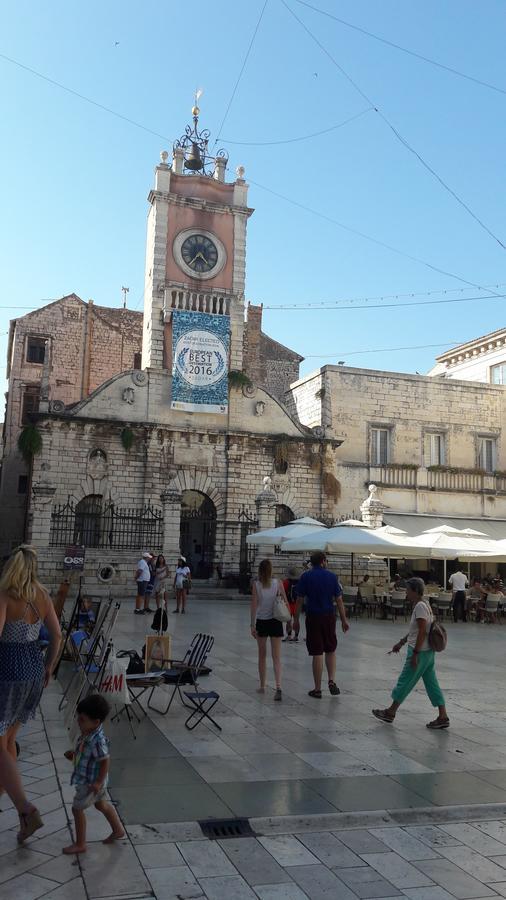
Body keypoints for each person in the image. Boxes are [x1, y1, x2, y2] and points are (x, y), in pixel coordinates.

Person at [0, 545, 61, 843]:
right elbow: (57, 635)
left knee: (0, 743)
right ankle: (17, 806)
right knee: (9, 739)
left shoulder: (5, 595)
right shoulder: (43, 596)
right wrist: (49, 665)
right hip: (34, 669)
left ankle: (25, 807)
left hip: (7, 669)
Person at [372, 576, 449, 729]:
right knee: (432, 684)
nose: (406, 593)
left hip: (419, 652)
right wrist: (401, 642)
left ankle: (390, 712)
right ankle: (443, 715)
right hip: (428, 653)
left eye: (408, 590)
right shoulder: (425, 604)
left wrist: (415, 654)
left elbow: (421, 632)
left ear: (415, 591)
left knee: (405, 680)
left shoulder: (420, 607)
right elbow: (419, 630)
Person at [63, 694, 125, 855]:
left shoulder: (97, 740)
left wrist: (97, 782)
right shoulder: (88, 733)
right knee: (101, 805)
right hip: (96, 782)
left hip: (90, 783)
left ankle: (80, 843)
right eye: (78, 717)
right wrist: (75, 755)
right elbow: (87, 754)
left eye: (82, 719)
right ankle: (118, 830)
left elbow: (105, 760)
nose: (78, 721)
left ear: (96, 722)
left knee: (77, 809)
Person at [295, 551, 349, 699]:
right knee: (330, 649)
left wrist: (295, 621)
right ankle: (331, 680)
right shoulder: (332, 577)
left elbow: (299, 600)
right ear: (323, 561)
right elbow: (339, 600)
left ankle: (317, 689)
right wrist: (344, 620)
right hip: (329, 616)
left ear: (312, 562)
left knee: (317, 652)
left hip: (313, 616)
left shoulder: (305, 576)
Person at [250, 559, 290, 701]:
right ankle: (278, 686)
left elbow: (254, 605)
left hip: (262, 621)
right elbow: (285, 601)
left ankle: (262, 685)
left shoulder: (256, 585)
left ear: (260, 570)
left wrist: (252, 625)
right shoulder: (278, 583)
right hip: (276, 621)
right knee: (276, 657)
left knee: (262, 655)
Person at [282, 566, 300, 642]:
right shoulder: (300, 582)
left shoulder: (286, 582)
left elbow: (282, 593)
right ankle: (296, 636)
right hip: (297, 604)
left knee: (288, 621)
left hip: (288, 604)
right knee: (297, 620)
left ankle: (289, 636)